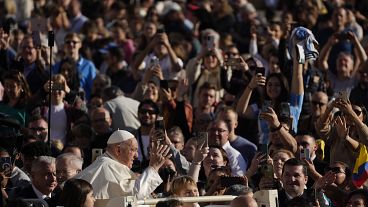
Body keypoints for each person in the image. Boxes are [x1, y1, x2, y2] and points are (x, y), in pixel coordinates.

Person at [75, 130, 171, 204]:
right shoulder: (108, 166)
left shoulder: (107, 163)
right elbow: (134, 195)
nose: (137, 155)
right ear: (118, 150)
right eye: (133, 150)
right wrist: (153, 167)